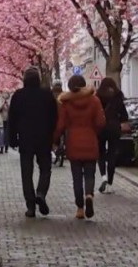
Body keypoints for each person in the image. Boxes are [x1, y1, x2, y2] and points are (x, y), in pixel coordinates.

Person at [7, 67, 58, 218]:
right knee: (45, 169)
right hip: (43, 138)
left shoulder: (18, 95)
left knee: (26, 172)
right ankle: (41, 192)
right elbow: (54, 117)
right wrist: (53, 136)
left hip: (25, 139)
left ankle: (30, 205)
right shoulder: (47, 95)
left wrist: (12, 139)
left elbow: (12, 119)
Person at [54, 74, 105, 219]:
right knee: (90, 174)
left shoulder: (66, 103)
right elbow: (101, 122)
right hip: (90, 141)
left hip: (74, 142)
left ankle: (80, 208)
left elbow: (61, 125)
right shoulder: (94, 100)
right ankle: (89, 195)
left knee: (77, 177)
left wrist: (54, 139)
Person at [95, 77, 129, 194]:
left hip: (101, 127)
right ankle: (110, 183)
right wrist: (122, 122)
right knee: (112, 154)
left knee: (101, 153)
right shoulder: (118, 96)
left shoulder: (98, 95)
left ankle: (103, 176)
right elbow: (124, 114)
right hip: (114, 127)